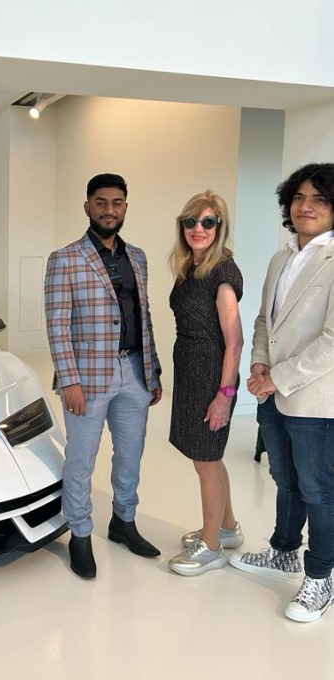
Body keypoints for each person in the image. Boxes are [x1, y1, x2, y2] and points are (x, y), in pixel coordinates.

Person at [44, 173, 162, 579]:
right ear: (87, 207)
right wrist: (69, 379)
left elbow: (143, 319)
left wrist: (154, 371)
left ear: (125, 207)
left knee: (130, 455)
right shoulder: (65, 258)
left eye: (116, 202)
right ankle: (79, 533)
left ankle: (123, 522)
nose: (109, 209)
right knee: (81, 460)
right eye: (101, 202)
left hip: (134, 371)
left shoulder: (139, 257)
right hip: (88, 378)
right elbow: (57, 326)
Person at [230, 162, 334, 623]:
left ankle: (321, 575)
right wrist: (257, 361)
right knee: (285, 479)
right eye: (299, 198)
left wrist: (279, 376)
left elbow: (332, 340)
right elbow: (263, 321)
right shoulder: (281, 257)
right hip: (273, 391)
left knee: (319, 490)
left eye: (319, 199)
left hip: (316, 398)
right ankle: (284, 551)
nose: (306, 206)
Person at [165, 191, 245, 577]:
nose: (199, 229)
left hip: (213, 375)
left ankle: (211, 546)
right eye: (191, 221)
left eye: (208, 222)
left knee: (206, 462)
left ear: (219, 227)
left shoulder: (221, 273)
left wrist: (224, 396)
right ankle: (227, 528)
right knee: (210, 458)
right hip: (191, 372)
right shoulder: (190, 266)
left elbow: (236, 341)